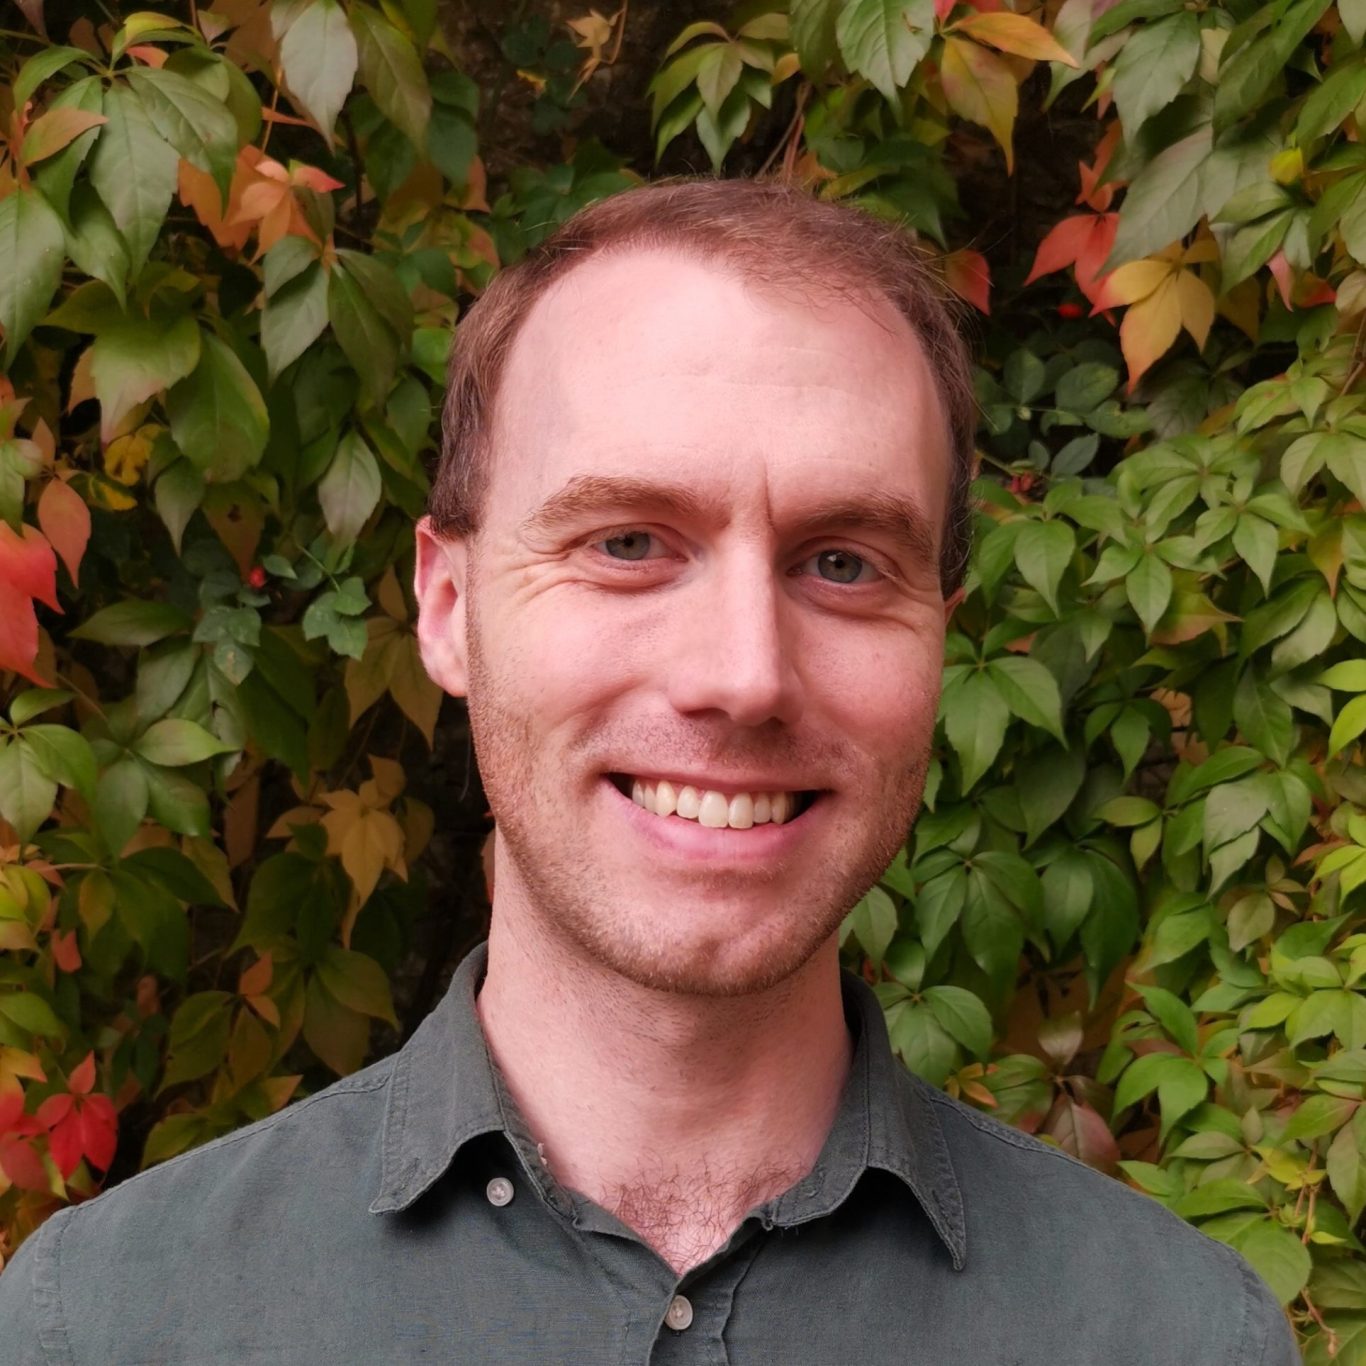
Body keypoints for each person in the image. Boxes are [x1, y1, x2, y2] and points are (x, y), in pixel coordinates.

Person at [0, 179, 1295, 1364]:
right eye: (627, 543)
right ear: (446, 608)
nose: (743, 673)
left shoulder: (1182, 1339)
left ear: (940, 638)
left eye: (843, 563)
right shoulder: (103, 1325)